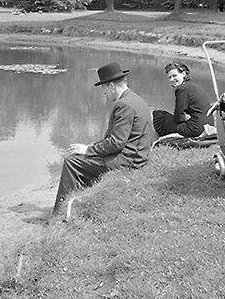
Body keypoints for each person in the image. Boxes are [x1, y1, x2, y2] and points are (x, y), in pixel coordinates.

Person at [52, 62, 153, 214]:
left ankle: (60, 212)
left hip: (129, 159)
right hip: (137, 153)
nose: (104, 93)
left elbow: (116, 143)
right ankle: (79, 202)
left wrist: (88, 149)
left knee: (71, 162)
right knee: (82, 158)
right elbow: (118, 138)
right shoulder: (135, 98)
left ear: (111, 86)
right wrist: (93, 147)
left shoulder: (124, 105)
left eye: (104, 88)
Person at [152, 62, 213, 138]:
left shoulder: (182, 89)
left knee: (159, 116)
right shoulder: (191, 85)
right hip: (207, 124)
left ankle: (157, 138)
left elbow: (178, 116)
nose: (172, 79)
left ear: (183, 74)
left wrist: (183, 117)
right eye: (169, 77)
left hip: (196, 128)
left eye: (174, 76)